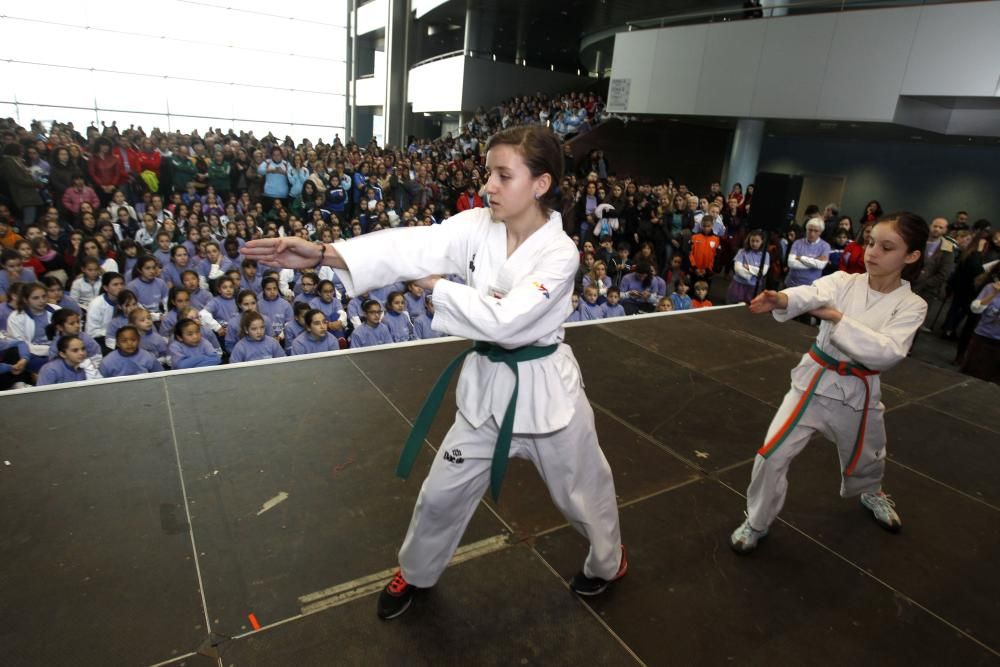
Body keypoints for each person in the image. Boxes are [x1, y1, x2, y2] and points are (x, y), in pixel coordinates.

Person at [241, 125, 625, 621]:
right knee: (440, 494)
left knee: (585, 494)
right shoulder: (477, 225)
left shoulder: (561, 254)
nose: (488, 184)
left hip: (549, 395)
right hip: (486, 392)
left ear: (541, 184)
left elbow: (506, 321)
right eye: (489, 172)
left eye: (503, 175)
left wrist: (435, 286)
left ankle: (608, 562)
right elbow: (409, 245)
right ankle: (417, 572)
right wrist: (321, 253)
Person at [731, 213, 929, 554]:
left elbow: (888, 352)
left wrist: (838, 318)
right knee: (771, 454)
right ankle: (757, 520)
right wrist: (782, 300)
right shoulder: (843, 282)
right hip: (813, 383)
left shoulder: (913, 305)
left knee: (869, 455)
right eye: (870, 243)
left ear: (911, 256)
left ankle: (871, 492)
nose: (873, 253)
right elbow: (812, 293)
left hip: (859, 392)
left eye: (887, 247)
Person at [960, 267, 1000, 383]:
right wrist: (993, 294)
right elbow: (975, 308)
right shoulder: (991, 288)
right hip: (982, 337)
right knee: (971, 373)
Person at [46, 308, 102, 379]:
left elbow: (96, 355)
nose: (77, 326)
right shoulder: (55, 346)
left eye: (78, 322)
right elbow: (54, 364)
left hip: (89, 370)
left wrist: (89, 366)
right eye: (72, 323)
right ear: (60, 327)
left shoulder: (85, 338)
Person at [727, 230, 769, 305]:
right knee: (734, 307)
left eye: (757, 241)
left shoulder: (765, 255)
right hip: (739, 284)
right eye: (752, 241)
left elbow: (763, 272)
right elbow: (738, 269)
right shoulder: (742, 252)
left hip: (754, 287)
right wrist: (753, 273)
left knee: (750, 307)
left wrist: (748, 267)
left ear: (762, 242)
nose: (754, 243)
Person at [785, 218, 831, 288]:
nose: (812, 233)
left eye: (816, 231)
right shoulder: (797, 243)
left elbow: (821, 265)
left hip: (810, 286)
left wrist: (801, 258)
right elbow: (791, 263)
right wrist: (814, 261)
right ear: (806, 230)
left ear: (821, 232)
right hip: (791, 283)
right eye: (810, 230)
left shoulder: (825, 246)